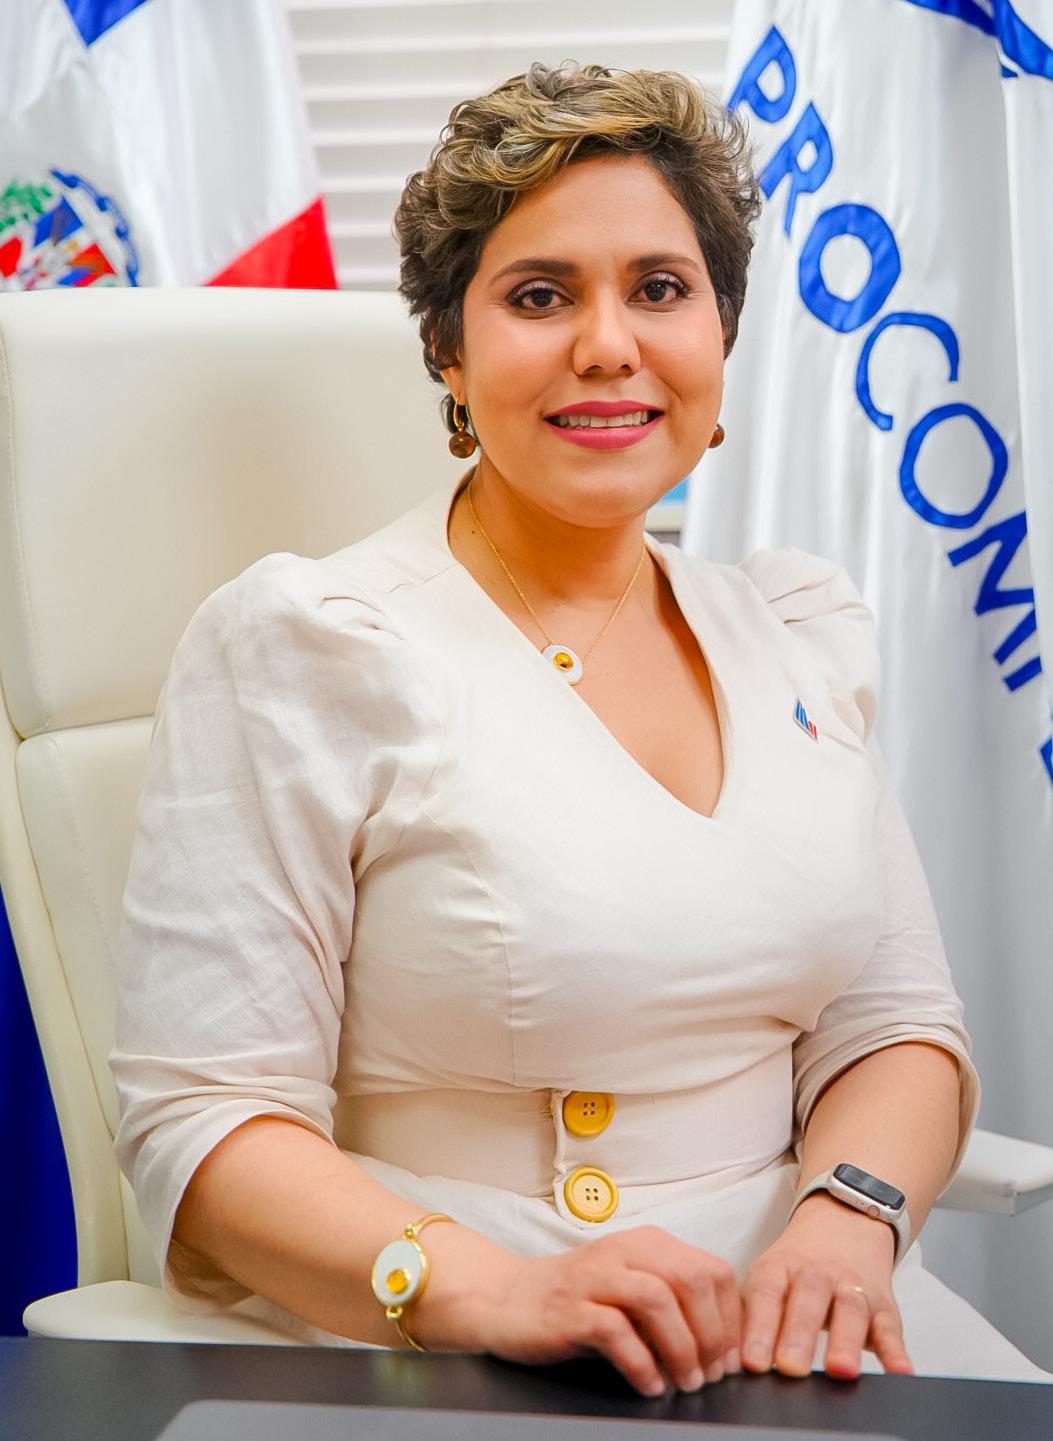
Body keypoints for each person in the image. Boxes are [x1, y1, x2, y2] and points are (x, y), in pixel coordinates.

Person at [109, 62, 1047, 1393]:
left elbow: (894, 1023)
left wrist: (849, 1219)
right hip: (457, 1330)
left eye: (659, 288)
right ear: (448, 349)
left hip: (804, 1319)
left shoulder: (794, 629)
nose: (609, 344)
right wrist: (491, 1287)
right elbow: (198, 1122)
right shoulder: (309, 644)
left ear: (721, 331)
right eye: (539, 295)